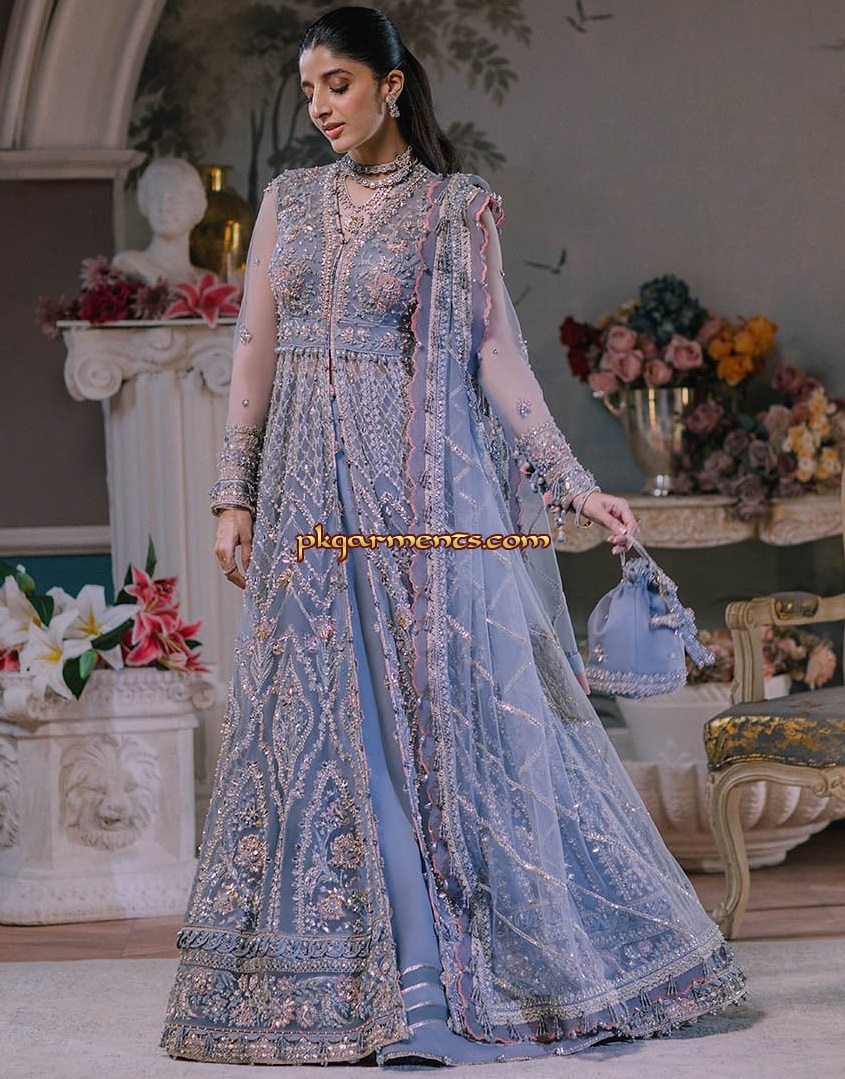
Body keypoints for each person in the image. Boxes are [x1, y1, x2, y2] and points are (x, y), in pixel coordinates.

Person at [161, 6, 745, 1067]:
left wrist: (575, 484)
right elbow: (255, 349)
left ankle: (426, 982)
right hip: (302, 500)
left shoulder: (452, 211)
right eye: (309, 89)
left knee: (407, 724)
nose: (319, 106)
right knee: (317, 723)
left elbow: (496, 358)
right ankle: (335, 976)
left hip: (409, 508)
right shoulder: (290, 203)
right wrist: (231, 494)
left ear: (390, 85)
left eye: (338, 83)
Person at [112, 157, 208, 284]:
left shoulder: (207, 280)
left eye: (174, 198)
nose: (163, 207)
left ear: (197, 205)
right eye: (155, 197)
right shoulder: (129, 265)